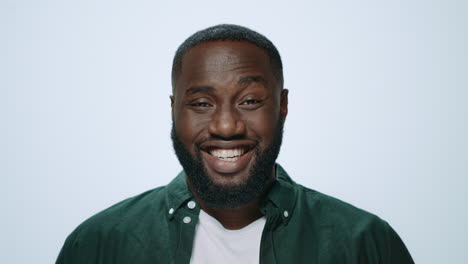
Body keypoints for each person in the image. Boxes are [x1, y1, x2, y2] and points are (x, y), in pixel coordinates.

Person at [56, 24, 414, 264]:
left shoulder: (365, 245)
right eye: (201, 104)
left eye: (250, 101)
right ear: (172, 109)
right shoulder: (98, 245)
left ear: (283, 104)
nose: (226, 126)